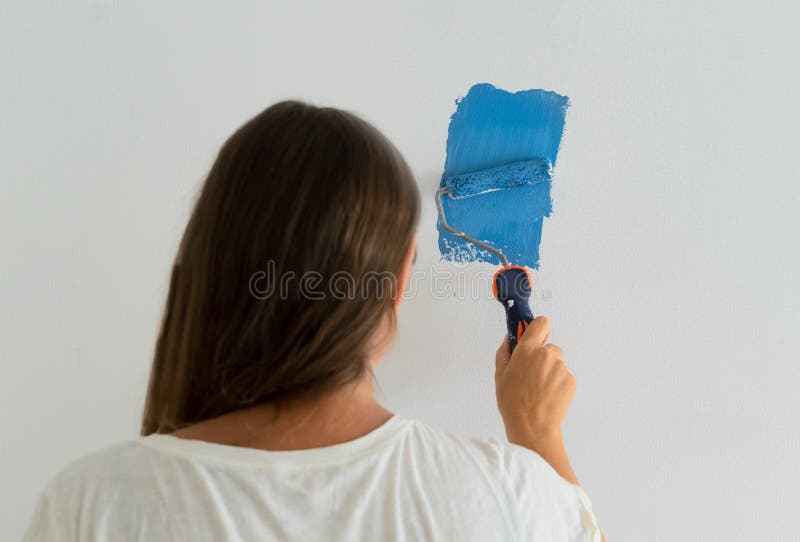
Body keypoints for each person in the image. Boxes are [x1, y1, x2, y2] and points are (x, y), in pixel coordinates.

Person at [23, 101, 603, 541]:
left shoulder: (90, 507)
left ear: (209, 268)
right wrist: (536, 433)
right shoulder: (499, 497)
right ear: (399, 284)